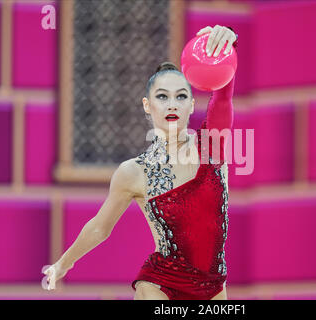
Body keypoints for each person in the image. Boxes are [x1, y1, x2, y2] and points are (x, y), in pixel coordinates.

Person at [42, 25, 238, 300]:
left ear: (192, 105)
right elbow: (100, 227)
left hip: (215, 291)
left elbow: (223, 95)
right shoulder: (133, 172)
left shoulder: (212, 147)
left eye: (181, 96)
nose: (172, 105)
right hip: (159, 286)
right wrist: (64, 263)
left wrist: (225, 45)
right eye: (162, 97)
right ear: (147, 105)